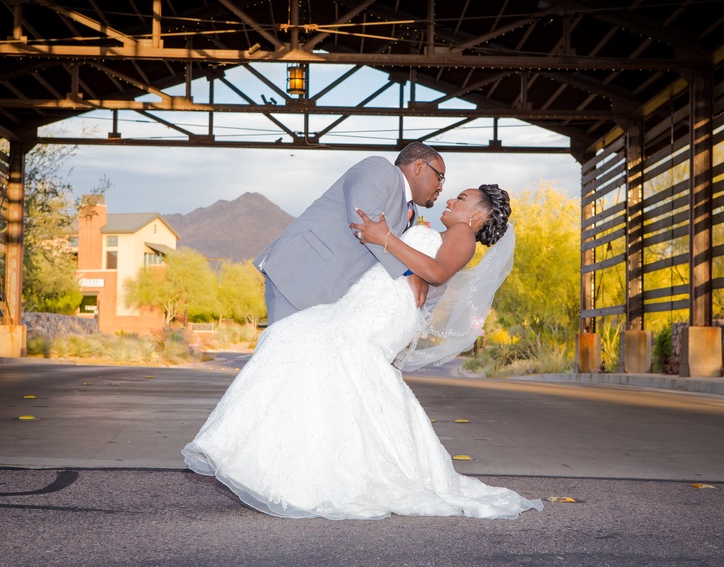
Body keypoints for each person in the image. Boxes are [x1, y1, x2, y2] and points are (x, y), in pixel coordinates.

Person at [183, 184, 543, 520]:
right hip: (370, 301)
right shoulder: (449, 233)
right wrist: (400, 255)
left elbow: (436, 272)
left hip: (383, 310)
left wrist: (385, 238)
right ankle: (294, 464)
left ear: (477, 215)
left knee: (311, 346)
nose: (450, 200)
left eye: (461, 199)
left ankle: (276, 462)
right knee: (320, 358)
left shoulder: (463, 234)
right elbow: (422, 268)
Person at [253, 142, 445, 324]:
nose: (440, 187)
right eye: (440, 177)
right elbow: (364, 221)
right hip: (302, 275)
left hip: (334, 295)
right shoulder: (380, 168)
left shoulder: (411, 213)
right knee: (284, 345)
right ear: (419, 166)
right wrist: (407, 272)